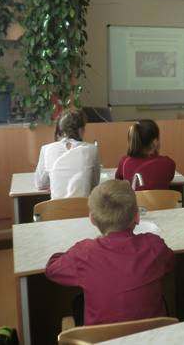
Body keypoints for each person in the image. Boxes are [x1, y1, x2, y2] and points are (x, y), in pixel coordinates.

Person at [45, 180, 175, 326]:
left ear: (92, 219)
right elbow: (169, 263)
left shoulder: (84, 253)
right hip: (155, 334)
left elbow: (52, 269)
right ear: (137, 216)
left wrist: (71, 251)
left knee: (79, 302)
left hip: (102, 337)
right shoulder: (154, 246)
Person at [34, 109, 100, 199]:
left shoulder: (46, 149)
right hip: (83, 207)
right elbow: (95, 183)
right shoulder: (92, 149)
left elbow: (40, 184)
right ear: (80, 130)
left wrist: (55, 182)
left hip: (56, 207)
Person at [115, 119, 176, 190]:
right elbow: (169, 178)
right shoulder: (168, 163)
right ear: (155, 142)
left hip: (134, 197)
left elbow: (118, 181)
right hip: (161, 198)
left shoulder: (124, 162)